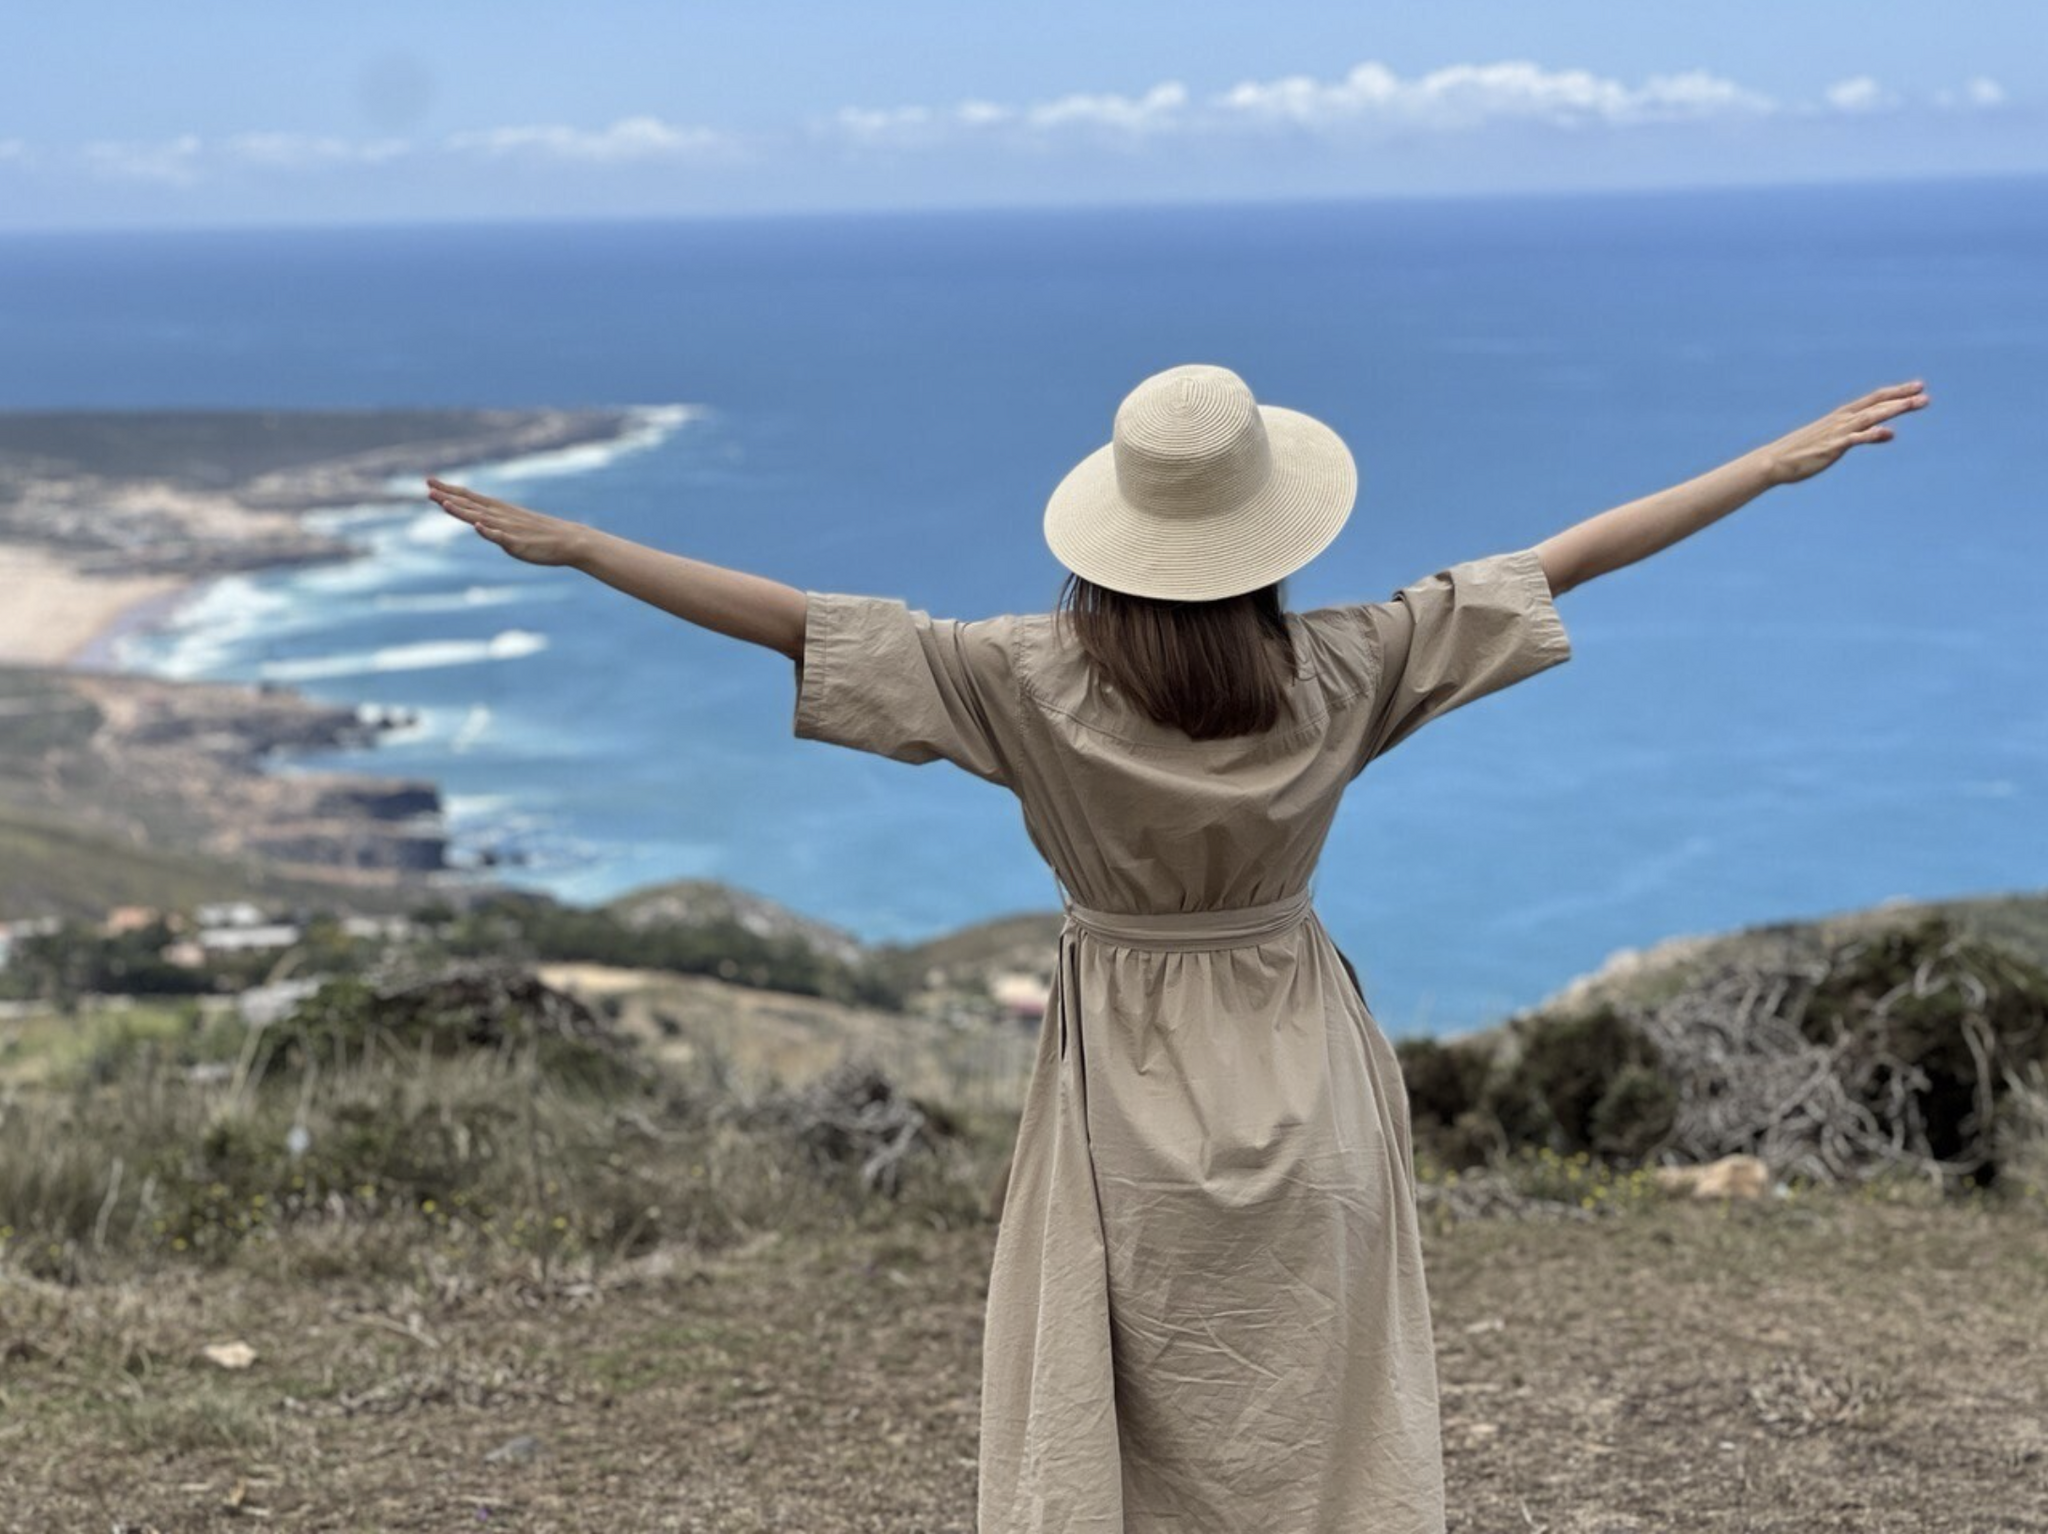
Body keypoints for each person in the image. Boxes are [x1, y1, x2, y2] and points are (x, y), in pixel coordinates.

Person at [427, 364, 1929, 1532]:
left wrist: (583, 543)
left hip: (1122, 1062)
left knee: (1124, 1367)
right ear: (1267, 533)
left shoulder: (1023, 678)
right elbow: (1565, 560)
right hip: (1296, 1040)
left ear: (1115, 535)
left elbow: (793, 626)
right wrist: (1767, 465)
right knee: (1311, 1371)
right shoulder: (1346, 662)